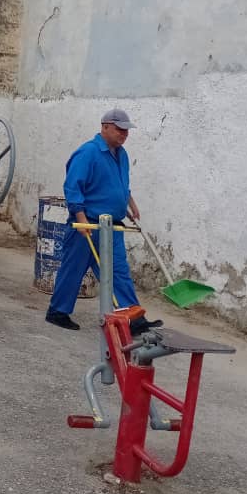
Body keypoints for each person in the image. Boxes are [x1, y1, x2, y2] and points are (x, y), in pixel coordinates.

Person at [45, 108, 160, 333]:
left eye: (126, 131)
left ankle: (132, 318)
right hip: (87, 223)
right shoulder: (88, 153)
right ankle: (57, 312)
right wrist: (79, 217)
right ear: (105, 126)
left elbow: (120, 185)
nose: (124, 134)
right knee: (73, 268)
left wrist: (130, 206)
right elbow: (73, 186)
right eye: (120, 129)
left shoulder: (122, 155)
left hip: (112, 225)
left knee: (118, 271)